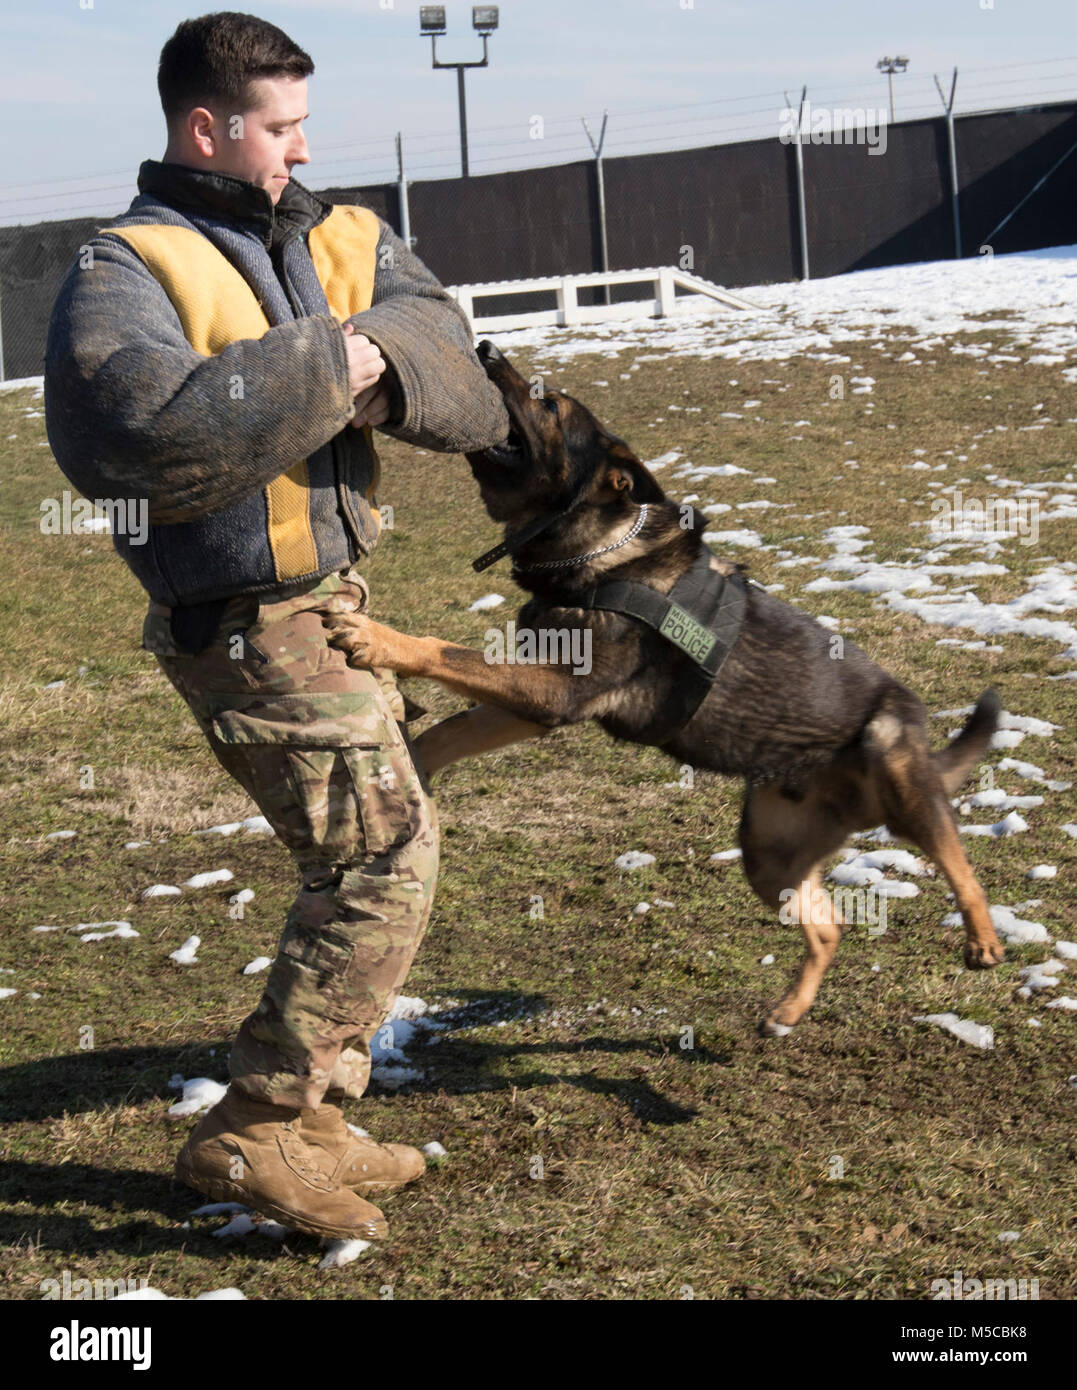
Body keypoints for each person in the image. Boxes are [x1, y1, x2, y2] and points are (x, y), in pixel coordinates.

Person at [43, 10, 509, 1243]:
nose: (304, 151)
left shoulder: (338, 233)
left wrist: (358, 354)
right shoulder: (124, 269)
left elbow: (450, 363)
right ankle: (254, 1127)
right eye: (282, 128)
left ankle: (316, 1117)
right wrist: (345, 361)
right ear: (210, 125)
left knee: (380, 849)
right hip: (242, 621)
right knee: (376, 859)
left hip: (335, 606)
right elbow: (137, 438)